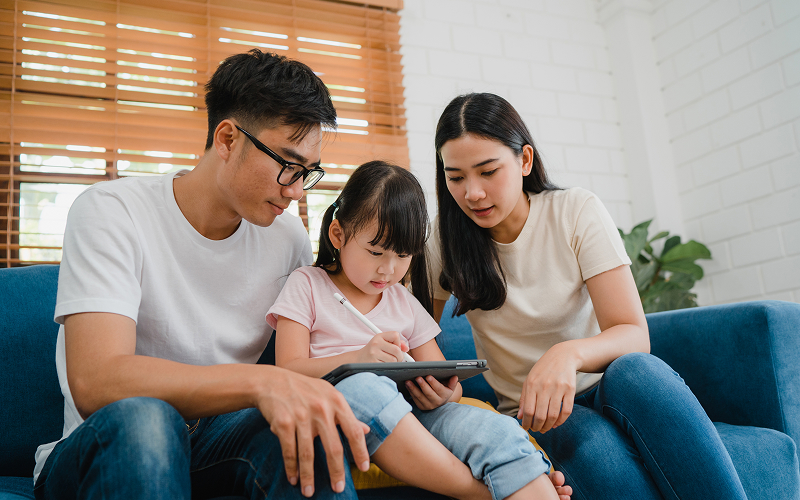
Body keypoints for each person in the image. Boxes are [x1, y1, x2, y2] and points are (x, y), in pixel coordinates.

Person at [32, 49, 375, 500]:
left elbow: (324, 343)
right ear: (228, 139)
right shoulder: (111, 211)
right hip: (110, 440)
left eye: (307, 174)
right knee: (148, 419)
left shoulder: (287, 236)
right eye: (287, 166)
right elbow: (97, 381)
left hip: (216, 438)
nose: (295, 191)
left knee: (302, 428)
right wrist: (263, 382)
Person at [428, 92, 749, 500]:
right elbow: (419, 336)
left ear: (524, 160)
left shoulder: (574, 211)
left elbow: (634, 332)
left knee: (641, 372)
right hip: (537, 412)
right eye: (455, 177)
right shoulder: (443, 239)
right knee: (594, 447)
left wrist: (567, 354)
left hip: (611, 384)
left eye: (488, 171)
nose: (472, 192)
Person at [267, 161, 572, 500]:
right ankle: (483, 493)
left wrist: (445, 394)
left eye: (403, 255)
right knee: (365, 387)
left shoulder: (402, 301)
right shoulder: (308, 285)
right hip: (344, 412)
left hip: (416, 415)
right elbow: (287, 371)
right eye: (375, 252)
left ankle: (532, 484)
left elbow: (443, 378)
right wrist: (358, 358)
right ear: (338, 235)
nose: (388, 269)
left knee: (498, 430)